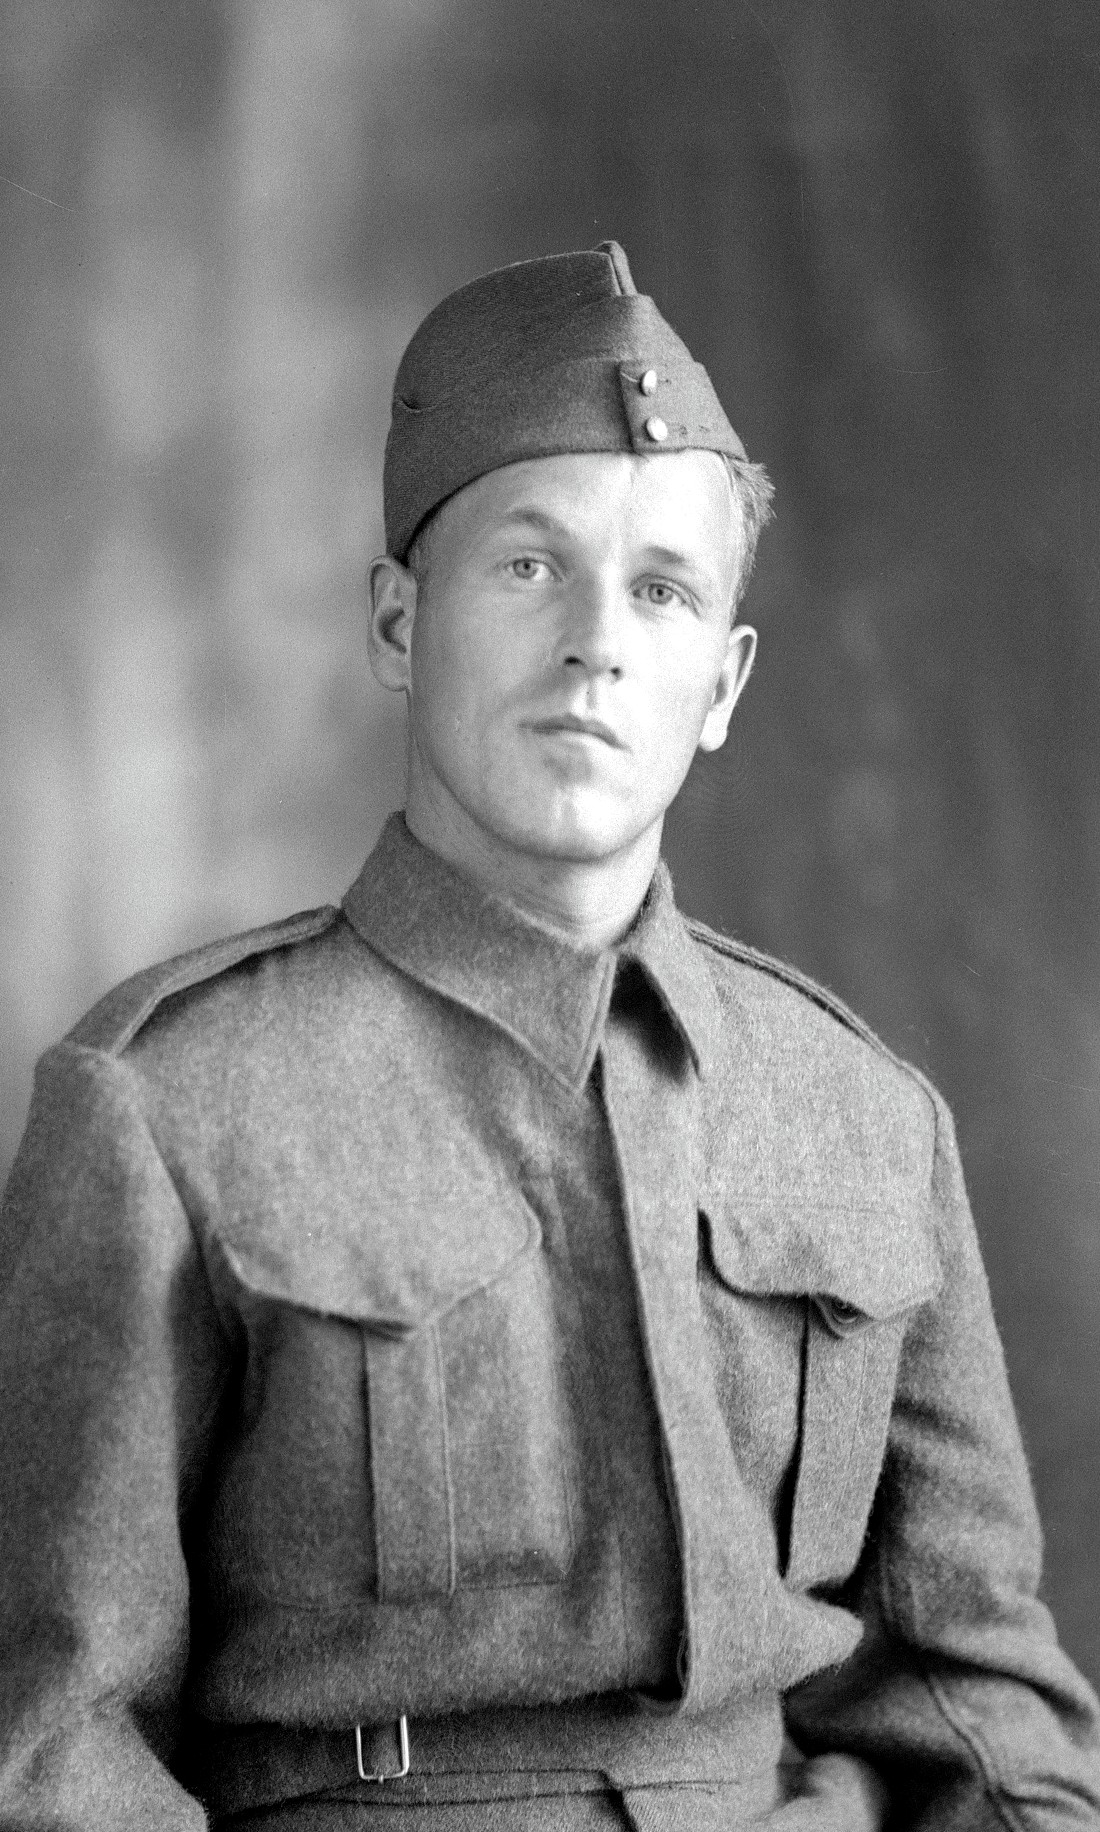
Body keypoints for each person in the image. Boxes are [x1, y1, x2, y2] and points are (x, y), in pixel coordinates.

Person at [0, 241, 1097, 1832]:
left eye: (660, 589)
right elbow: (50, 1743)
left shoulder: (861, 1114)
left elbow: (980, 1711)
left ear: (718, 685)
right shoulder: (170, 1102)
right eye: (529, 565)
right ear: (397, 620)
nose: (596, 639)